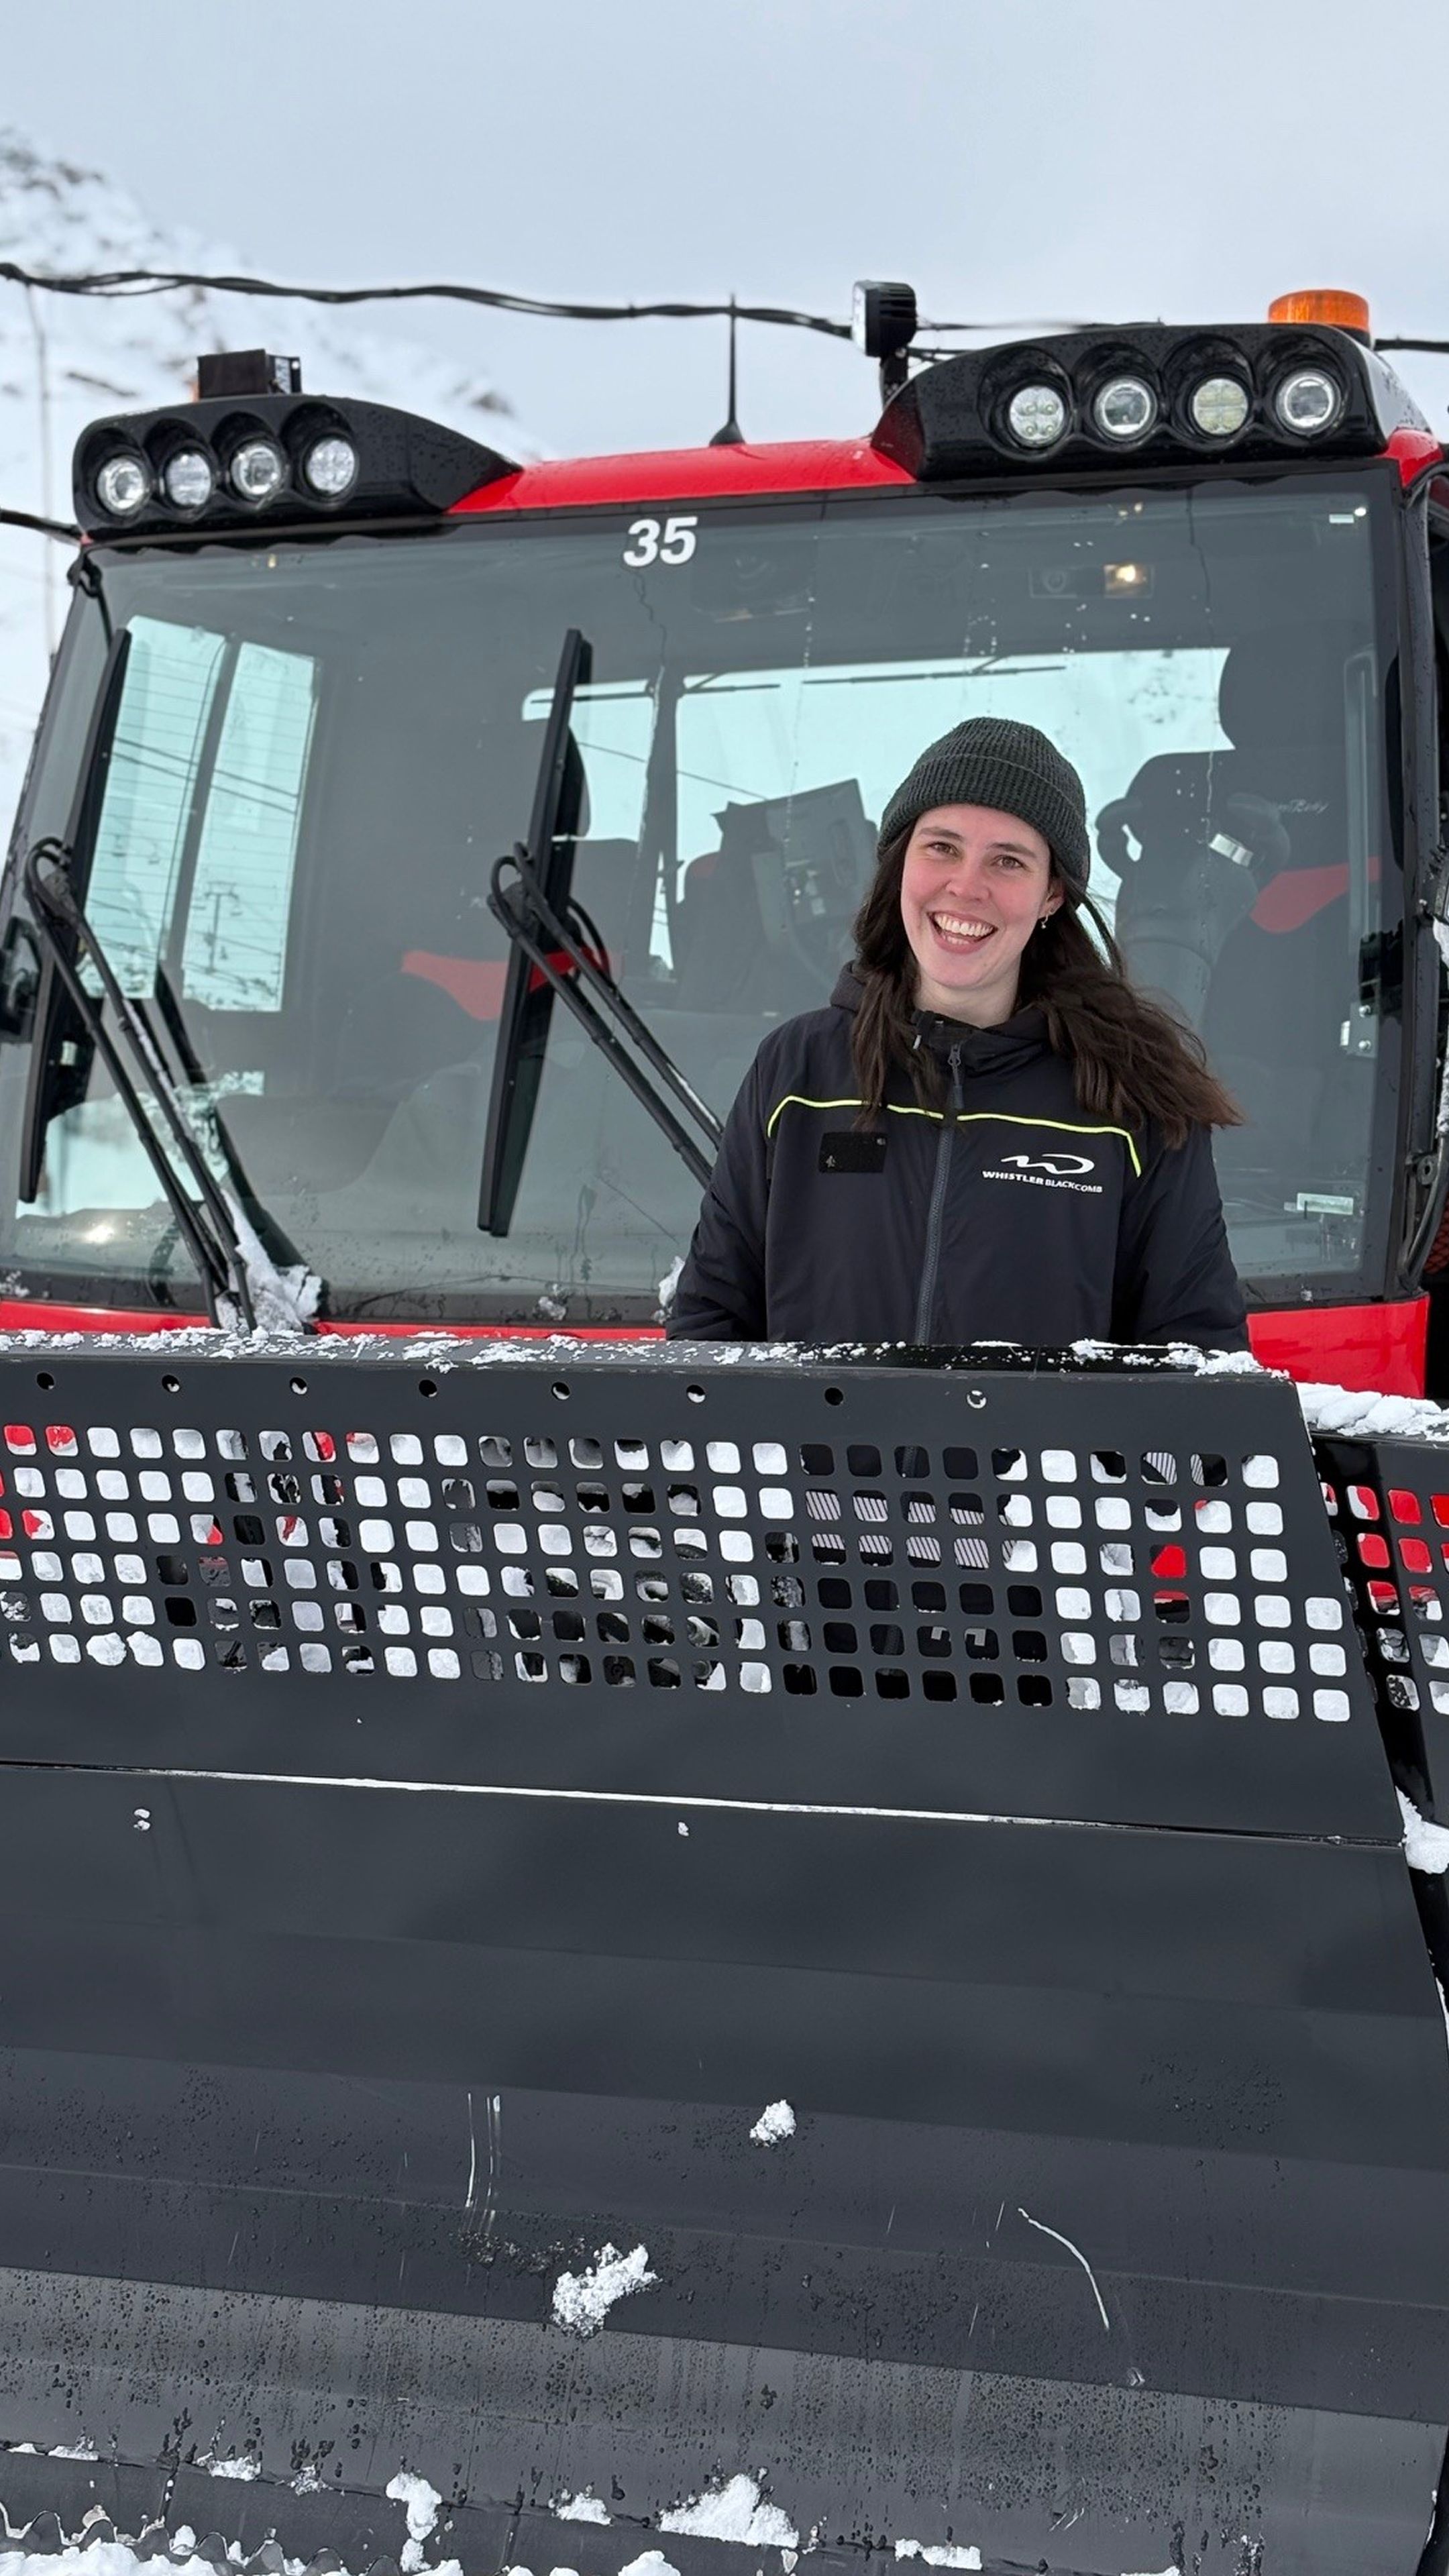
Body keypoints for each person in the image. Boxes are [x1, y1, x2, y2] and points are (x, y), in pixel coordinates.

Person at [667, 716, 1247, 1348]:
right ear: (900, 863)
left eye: (1008, 861)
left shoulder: (1131, 1097)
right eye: (942, 847)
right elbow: (709, 1328)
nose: (966, 888)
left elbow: (1195, 1363)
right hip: (815, 1453)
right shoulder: (797, 1073)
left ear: (1053, 894)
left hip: (1047, 1454)